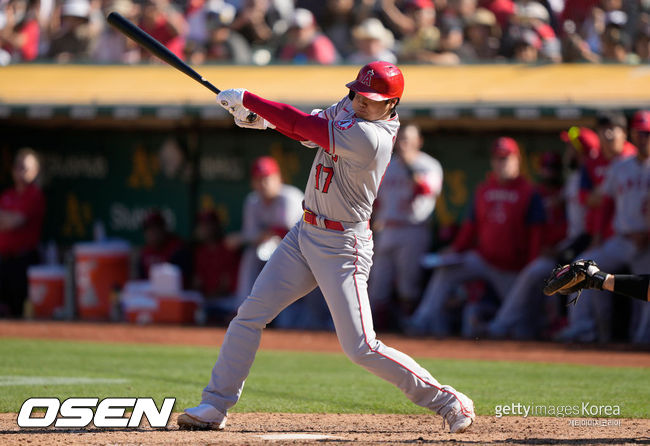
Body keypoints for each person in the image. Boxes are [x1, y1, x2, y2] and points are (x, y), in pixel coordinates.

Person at [177, 61, 475, 433]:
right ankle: (214, 404)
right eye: (358, 93)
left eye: (372, 98)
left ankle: (449, 400)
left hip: (343, 245)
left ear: (392, 104)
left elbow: (306, 126)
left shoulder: (375, 137)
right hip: (305, 233)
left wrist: (250, 99)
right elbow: (307, 130)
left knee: (360, 347)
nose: (361, 101)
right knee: (249, 315)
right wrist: (261, 121)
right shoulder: (350, 107)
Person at [407, 137, 545, 337]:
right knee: (446, 270)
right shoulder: (483, 189)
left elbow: (536, 233)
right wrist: (455, 249)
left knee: (524, 325)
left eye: (506, 158)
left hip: (513, 268)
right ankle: (421, 321)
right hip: (484, 259)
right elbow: (470, 226)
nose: (501, 163)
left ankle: (499, 332)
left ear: (517, 160)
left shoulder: (529, 192)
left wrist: (529, 266)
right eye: (498, 158)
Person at [557, 110, 650, 343]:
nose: (643, 138)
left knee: (644, 296)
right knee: (582, 268)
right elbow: (602, 202)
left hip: (648, 243)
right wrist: (597, 234)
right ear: (633, 134)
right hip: (621, 238)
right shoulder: (620, 167)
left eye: (647, 133)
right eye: (640, 133)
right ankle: (585, 330)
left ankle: (641, 340)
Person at [369, 123, 443, 328]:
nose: (403, 145)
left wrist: (409, 165)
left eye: (408, 140)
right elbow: (376, 202)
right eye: (400, 140)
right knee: (377, 285)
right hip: (387, 229)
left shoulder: (428, 165)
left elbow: (426, 190)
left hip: (414, 229)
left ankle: (411, 327)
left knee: (408, 286)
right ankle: (378, 331)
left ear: (419, 142)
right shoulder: (387, 165)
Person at [230, 156, 304, 304]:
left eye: (267, 178)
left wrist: (249, 237)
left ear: (278, 179)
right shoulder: (253, 201)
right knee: (252, 255)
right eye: (258, 179)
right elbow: (251, 235)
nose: (263, 183)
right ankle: (244, 304)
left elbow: (288, 232)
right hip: (273, 250)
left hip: (301, 251)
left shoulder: (289, 197)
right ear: (253, 182)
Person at [0, 148, 45, 318]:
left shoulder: (34, 195)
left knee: (20, 312)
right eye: (18, 166)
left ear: (35, 172)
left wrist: (7, 218)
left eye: (26, 168)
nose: (21, 171)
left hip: (24, 261)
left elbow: (15, 222)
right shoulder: (7, 195)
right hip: (4, 260)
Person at [193, 210, 240, 322]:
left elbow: (226, 287)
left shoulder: (228, 249)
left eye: (208, 225)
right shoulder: (200, 252)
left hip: (228, 301)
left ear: (216, 226)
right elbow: (197, 284)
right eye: (202, 225)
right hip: (208, 301)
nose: (204, 228)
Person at [138, 210, 191, 287]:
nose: (152, 233)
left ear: (164, 229)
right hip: (150, 295)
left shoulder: (177, 249)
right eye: (149, 229)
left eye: (156, 228)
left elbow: (182, 283)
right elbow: (141, 282)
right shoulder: (145, 252)